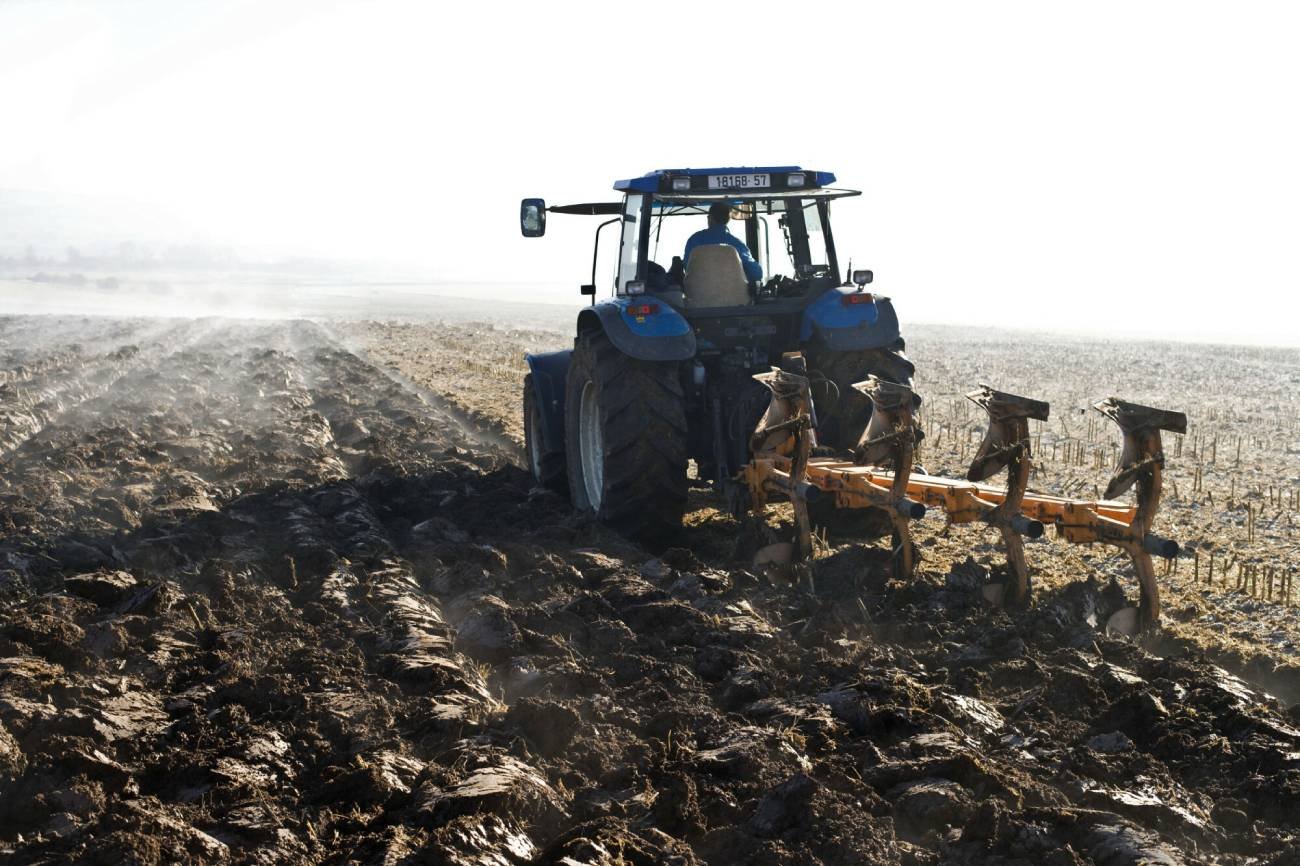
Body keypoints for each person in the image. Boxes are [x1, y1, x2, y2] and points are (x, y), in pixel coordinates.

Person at [684, 201, 762, 282]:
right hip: (732, 293)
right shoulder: (737, 244)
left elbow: (688, 268)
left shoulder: (694, 240)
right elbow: (756, 274)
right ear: (728, 219)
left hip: (699, 293)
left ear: (709, 218)